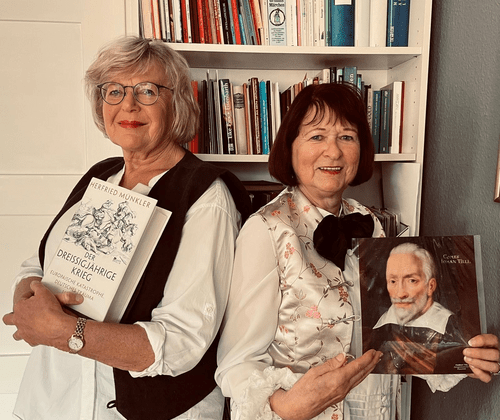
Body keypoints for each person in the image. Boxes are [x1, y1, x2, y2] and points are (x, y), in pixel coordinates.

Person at [215, 82, 500, 420]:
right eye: (317, 136)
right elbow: (236, 362)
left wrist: (463, 355)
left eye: (347, 137)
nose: (333, 152)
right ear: (289, 147)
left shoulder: (371, 223)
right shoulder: (266, 230)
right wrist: (285, 406)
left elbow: (395, 334)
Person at [2, 36, 250, 420]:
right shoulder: (100, 176)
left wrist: (65, 331)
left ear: (177, 104)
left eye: (147, 91)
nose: (128, 105)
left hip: (146, 410)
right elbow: (38, 264)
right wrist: (27, 304)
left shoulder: (206, 196)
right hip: (56, 399)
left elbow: (182, 340)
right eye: (114, 91)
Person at [370, 242, 469, 374]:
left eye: (412, 280)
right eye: (393, 281)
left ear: (430, 286)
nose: (400, 293)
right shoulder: (382, 327)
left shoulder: (449, 326)